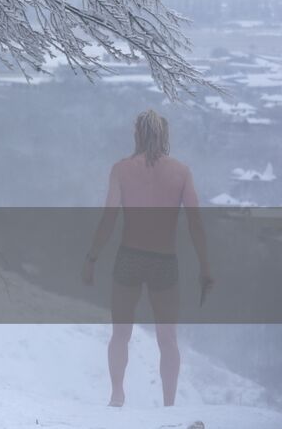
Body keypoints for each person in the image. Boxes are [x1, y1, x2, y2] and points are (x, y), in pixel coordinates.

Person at [81, 110, 214, 407]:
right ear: (165, 135)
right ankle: (169, 403)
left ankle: (117, 393)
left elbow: (109, 218)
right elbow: (196, 224)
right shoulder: (181, 172)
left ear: (137, 134)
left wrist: (92, 257)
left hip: (129, 256)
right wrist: (205, 267)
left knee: (120, 334)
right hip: (164, 261)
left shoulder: (121, 169)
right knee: (168, 339)